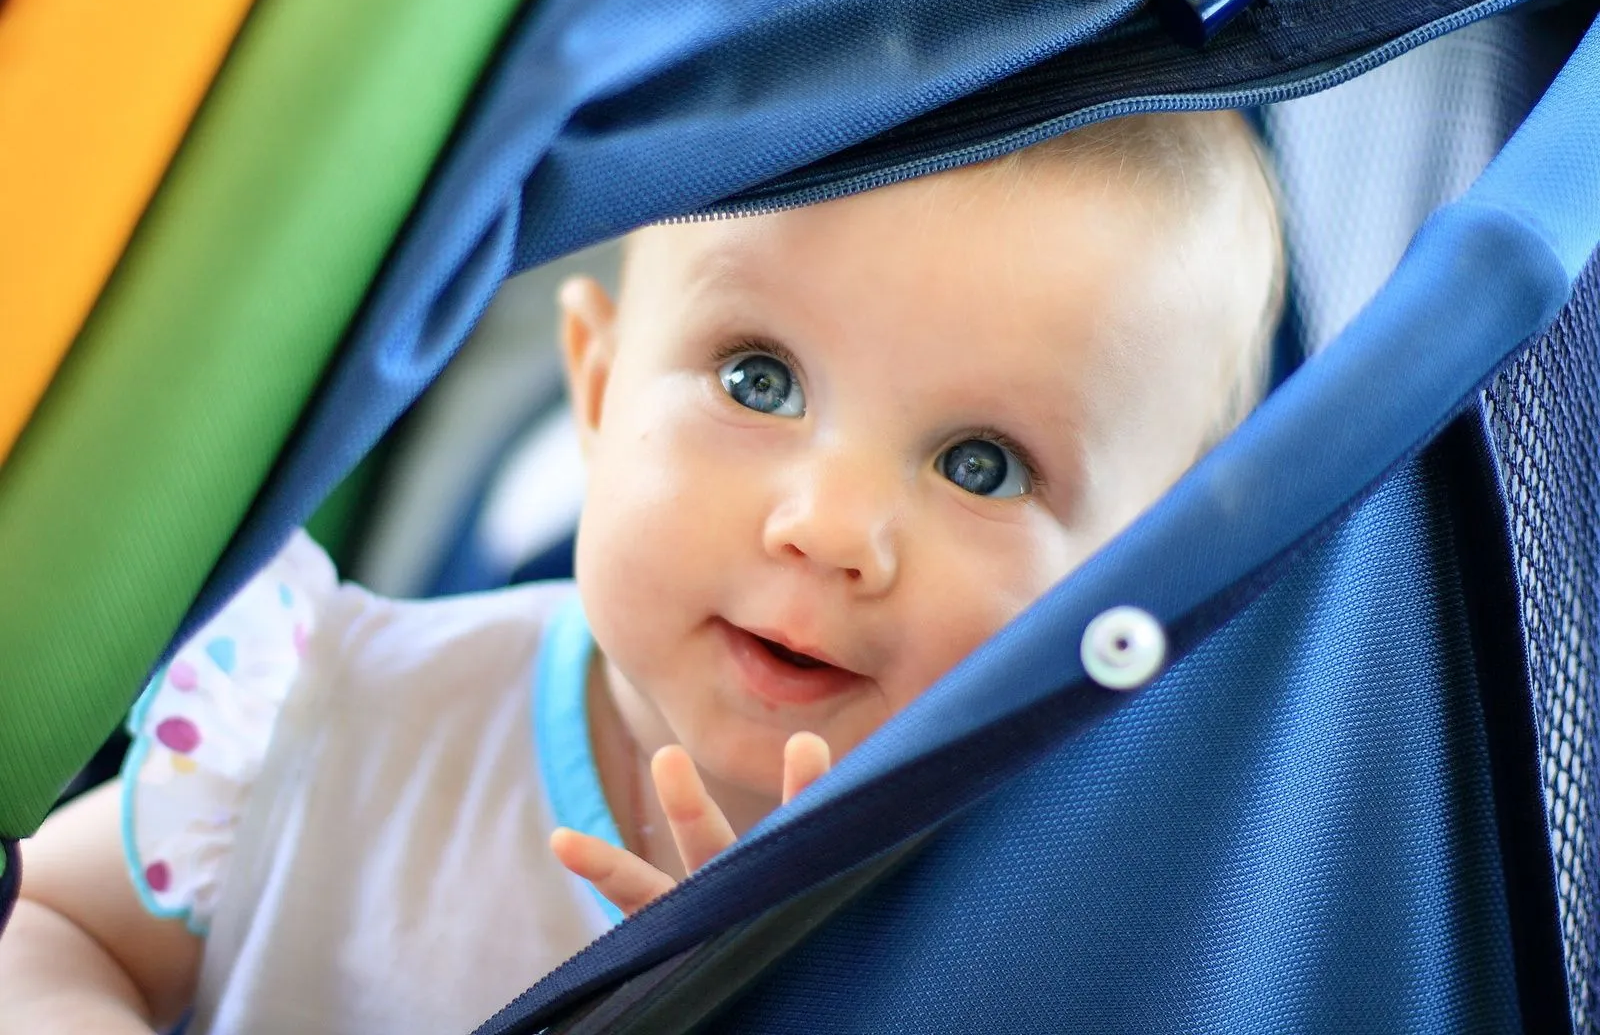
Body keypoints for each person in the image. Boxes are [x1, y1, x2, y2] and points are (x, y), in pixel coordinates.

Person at [0, 110, 1284, 1035]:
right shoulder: (333, 719)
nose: (828, 527)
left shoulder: (1049, 919)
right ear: (600, 390)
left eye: (983, 466)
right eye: (757, 380)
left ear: (1144, 564)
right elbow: (48, 927)